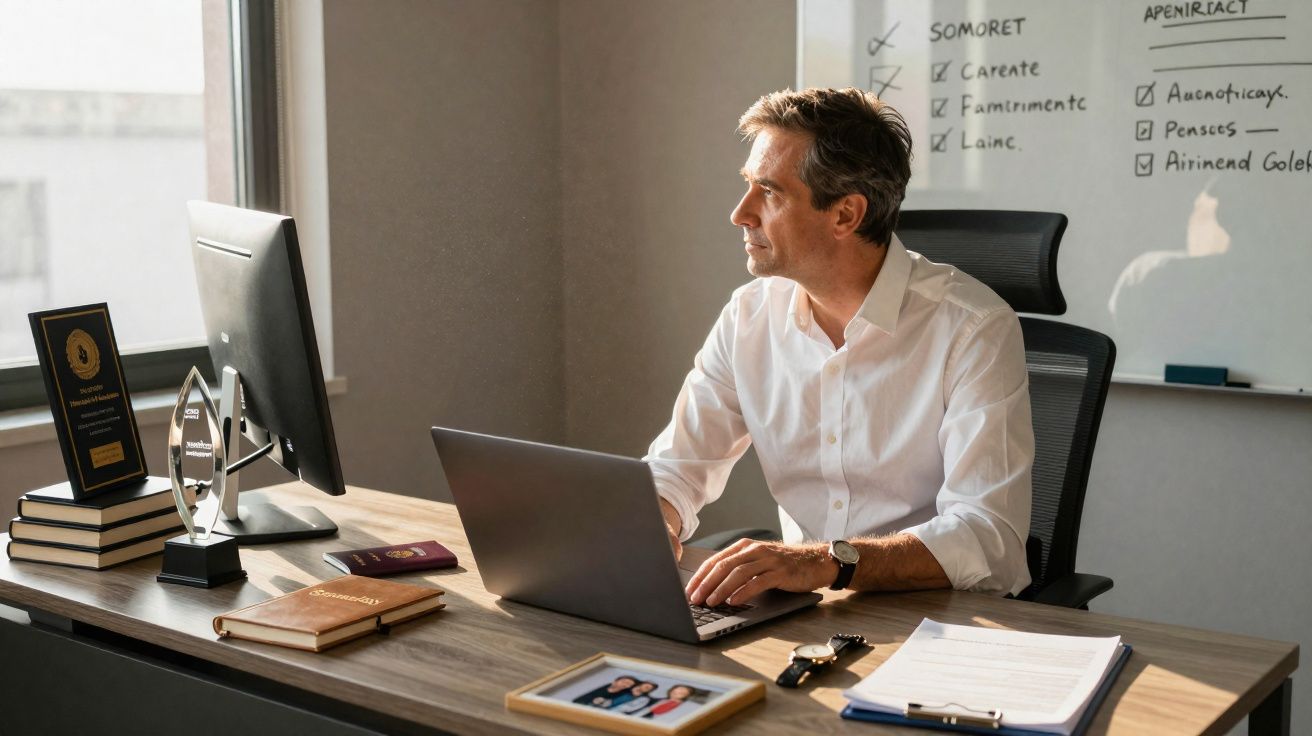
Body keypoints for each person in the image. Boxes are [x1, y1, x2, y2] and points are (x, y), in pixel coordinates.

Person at [645, 87, 1033, 606]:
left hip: (940, 620)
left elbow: (989, 540)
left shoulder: (973, 327)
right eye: (747, 186)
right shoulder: (748, 317)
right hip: (805, 614)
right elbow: (677, 468)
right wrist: (656, 522)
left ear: (846, 215)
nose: (740, 213)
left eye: (769, 192)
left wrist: (825, 561)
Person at [573, 675, 637, 707]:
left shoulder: (624, 696)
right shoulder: (601, 685)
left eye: (629, 685)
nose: (625, 684)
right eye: (624, 682)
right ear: (615, 681)